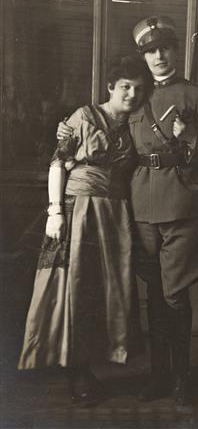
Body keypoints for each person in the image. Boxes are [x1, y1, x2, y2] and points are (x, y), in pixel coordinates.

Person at [57, 16, 198, 408]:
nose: (159, 56)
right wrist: (65, 132)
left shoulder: (197, 95)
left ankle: (183, 378)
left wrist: (189, 135)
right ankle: (159, 375)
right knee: (154, 293)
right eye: (150, 50)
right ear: (143, 56)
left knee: (174, 295)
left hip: (183, 205)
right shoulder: (136, 96)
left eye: (165, 47)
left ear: (175, 50)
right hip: (139, 208)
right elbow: (98, 128)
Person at [18, 55, 153, 406]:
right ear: (111, 86)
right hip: (80, 209)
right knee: (77, 287)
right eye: (125, 87)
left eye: (139, 89)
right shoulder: (84, 117)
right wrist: (55, 211)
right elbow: (58, 163)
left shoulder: (136, 126)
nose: (132, 94)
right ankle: (74, 370)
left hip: (117, 213)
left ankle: (97, 367)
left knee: (110, 290)